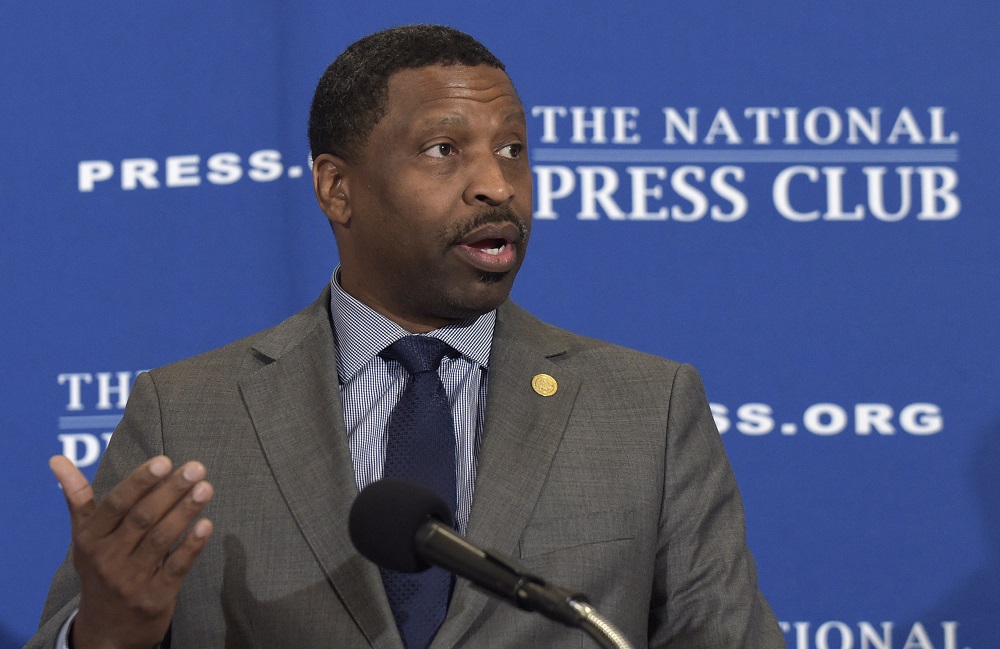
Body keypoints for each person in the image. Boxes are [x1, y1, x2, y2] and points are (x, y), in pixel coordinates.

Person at [28, 25, 785, 649]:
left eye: (513, 149)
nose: (497, 184)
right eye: (443, 150)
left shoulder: (648, 410)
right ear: (337, 189)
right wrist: (106, 633)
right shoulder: (186, 412)